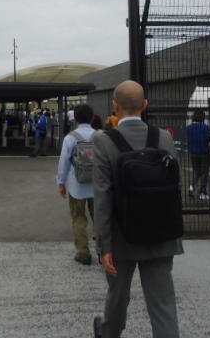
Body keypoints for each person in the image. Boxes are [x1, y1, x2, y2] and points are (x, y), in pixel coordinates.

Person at [93, 80, 183, 338]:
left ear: (116, 106)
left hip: (122, 237)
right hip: (162, 234)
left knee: (118, 295)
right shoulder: (163, 137)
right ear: (145, 105)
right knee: (163, 303)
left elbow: (103, 198)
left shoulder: (104, 142)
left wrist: (104, 246)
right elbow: (175, 185)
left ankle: (108, 332)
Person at [56, 104, 97, 265]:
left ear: (76, 120)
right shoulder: (100, 136)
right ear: (92, 118)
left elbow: (64, 162)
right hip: (97, 185)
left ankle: (83, 253)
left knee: (78, 218)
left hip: (76, 185)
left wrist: (61, 183)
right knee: (99, 218)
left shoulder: (70, 138)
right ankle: (103, 251)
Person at [186, 110, 210, 200]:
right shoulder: (205, 127)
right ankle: (202, 192)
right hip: (204, 153)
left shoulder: (189, 128)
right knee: (204, 173)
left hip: (193, 153)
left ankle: (192, 187)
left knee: (196, 171)